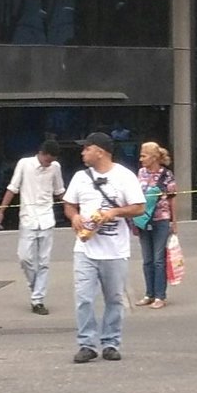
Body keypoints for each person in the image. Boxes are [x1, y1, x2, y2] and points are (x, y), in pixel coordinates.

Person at [63, 132, 145, 364]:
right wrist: (74, 217)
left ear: (99, 151)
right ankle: (86, 344)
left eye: (86, 148)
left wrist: (114, 212)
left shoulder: (124, 176)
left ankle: (110, 342)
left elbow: (139, 207)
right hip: (85, 247)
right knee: (84, 298)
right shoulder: (80, 177)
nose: (82, 152)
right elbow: (69, 204)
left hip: (115, 249)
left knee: (114, 298)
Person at [0, 139, 65, 315]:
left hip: (47, 218)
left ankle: (38, 299)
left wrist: (72, 210)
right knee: (24, 257)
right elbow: (13, 188)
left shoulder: (55, 167)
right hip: (28, 217)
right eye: (47, 160)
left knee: (43, 261)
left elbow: (59, 191)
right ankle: (36, 288)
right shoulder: (25, 164)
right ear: (41, 153)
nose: (48, 164)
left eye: (51, 161)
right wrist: (1, 211)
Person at [135, 142, 178, 309]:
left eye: (144, 156)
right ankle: (149, 294)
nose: (141, 159)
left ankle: (160, 296)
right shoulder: (141, 173)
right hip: (143, 220)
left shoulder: (166, 175)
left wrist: (174, 222)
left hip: (161, 219)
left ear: (153, 157)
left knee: (158, 259)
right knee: (147, 259)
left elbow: (173, 198)